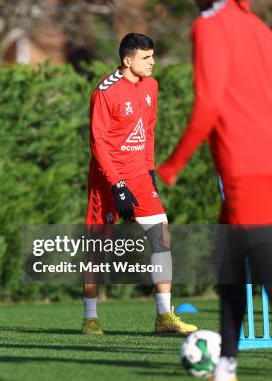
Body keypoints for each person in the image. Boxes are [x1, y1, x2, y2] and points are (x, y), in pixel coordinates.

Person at [157, 1, 272, 380]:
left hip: (247, 172)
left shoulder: (209, 26)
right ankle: (226, 365)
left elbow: (209, 102)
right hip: (259, 166)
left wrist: (173, 164)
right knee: (228, 270)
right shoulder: (258, 27)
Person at [83, 33, 198, 335]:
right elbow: (98, 142)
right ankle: (90, 317)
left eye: (152, 56)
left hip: (139, 177)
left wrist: (149, 171)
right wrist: (116, 183)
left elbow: (147, 131)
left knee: (162, 237)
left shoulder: (151, 86)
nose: (153, 62)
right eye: (146, 57)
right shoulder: (105, 92)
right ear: (127, 60)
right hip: (107, 180)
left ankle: (163, 317)